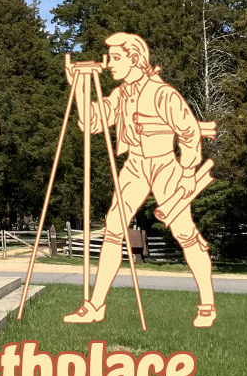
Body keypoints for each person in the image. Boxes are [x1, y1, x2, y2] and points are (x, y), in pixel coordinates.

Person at [63, 32, 215, 328]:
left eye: (116, 58)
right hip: (134, 166)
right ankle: (96, 306)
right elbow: (92, 122)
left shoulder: (163, 94)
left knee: (185, 232)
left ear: (134, 58)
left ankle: (207, 304)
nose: (109, 64)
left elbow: (189, 133)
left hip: (164, 166)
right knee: (112, 228)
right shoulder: (122, 93)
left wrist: (186, 172)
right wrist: (80, 89)